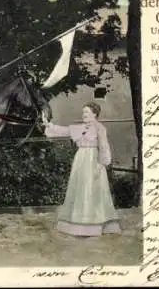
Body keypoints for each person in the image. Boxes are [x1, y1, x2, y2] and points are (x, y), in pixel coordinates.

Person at [42, 101, 122, 237]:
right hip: (80, 161)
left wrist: (101, 164)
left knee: (92, 191)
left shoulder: (100, 128)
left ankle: (94, 226)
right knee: (79, 190)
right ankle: (77, 225)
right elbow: (64, 131)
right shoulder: (80, 127)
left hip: (94, 161)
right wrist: (49, 125)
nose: (83, 114)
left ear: (95, 114)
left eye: (86, 112)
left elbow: (104, 146)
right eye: (83, 112)